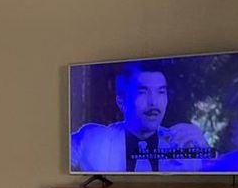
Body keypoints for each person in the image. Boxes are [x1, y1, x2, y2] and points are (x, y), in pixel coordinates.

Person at [71, 62, 212, 172]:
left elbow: (217, 169)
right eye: (142, 92)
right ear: (121, 102)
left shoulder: (182, 145)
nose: (153, 102)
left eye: (161, 92)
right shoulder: (92, 140)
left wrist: (205, 151)